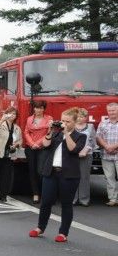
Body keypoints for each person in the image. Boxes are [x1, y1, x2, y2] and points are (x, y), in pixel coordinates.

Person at [29, 107, 86, 243]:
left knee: (66, 204)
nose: (64, 123)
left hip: (68, 175)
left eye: (67, 121)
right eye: (62, 121)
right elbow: (45, 144)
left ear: (74, 122)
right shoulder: (56, 133)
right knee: (46, 202)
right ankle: (40, 227)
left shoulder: (80, 136)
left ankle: (63, 233)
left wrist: (66, 133)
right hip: (51, 172)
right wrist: (49, 131)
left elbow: (73, 149)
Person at [23, 99, 52, 203]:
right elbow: (26, 132)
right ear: (33, 109)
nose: (38, 110)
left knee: (41, 171)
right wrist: (32, 144)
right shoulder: (29, 119)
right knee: (32, 171)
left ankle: (44, 192)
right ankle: (35, 193)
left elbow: (48, 134)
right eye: (36, 108)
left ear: (44, 109)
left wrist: (37, 144)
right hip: (30, 148)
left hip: (43, 147)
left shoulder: (49, 119)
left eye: (40, 108)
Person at [97, 102, 118, 206]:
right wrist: (106, 146)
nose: (111, 112)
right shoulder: (103, 123)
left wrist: (114, 147)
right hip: (106, 155)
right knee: (109, 178)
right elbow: (98, 137)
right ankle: (113, 199)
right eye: (109, 110)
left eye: (113, 110)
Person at [74, 109, 96, 207]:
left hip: (86, 155)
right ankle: (73, 199)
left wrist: (85, 151)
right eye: (78, 116)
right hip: (73, 155)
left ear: (86, 117)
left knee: (84, 177)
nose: (80, 119)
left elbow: (92, 141)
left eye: (82, 117)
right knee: (72, 177)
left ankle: (84, 199)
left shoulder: (90, 127)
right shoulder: (72, 126)